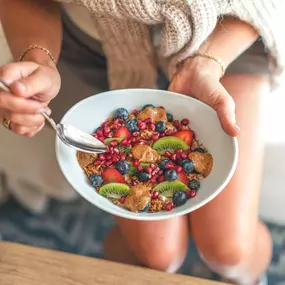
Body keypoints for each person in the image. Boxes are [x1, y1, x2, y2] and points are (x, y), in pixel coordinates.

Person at [0, 1, 284, 284]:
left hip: (224, 35)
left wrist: (208, 62)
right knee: (158, 256)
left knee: (230, 252)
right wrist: (39, 61)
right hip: (101, 53)